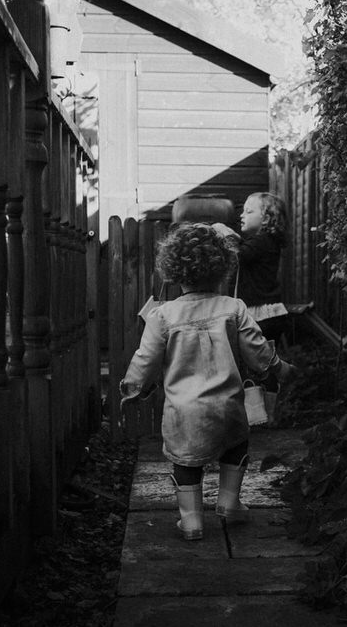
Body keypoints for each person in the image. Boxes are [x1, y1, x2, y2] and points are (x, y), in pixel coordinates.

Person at [119, 223, 294, 540]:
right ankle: (228, 502)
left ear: (174, 271)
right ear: (222, 268)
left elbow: (146, 358)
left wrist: (133, 388)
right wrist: (278, 368)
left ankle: (191, 521)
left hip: (184, 413)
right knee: (235, 447)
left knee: (185, 463)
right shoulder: (233, 308)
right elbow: (257, 350)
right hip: (228, 405)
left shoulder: (163, 315)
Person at [214, 192, 289, 344]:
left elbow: (237, 256)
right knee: (265, 353)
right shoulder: (265, 241)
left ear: (266, 219)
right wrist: (237, 239)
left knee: (253, 353)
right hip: (268, 313)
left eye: (248, 211)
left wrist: (226, 234)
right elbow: (247, 251)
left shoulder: (263, 240)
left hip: (261, 315)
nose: (242, 215)